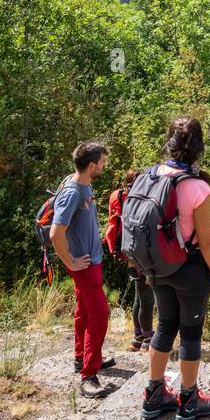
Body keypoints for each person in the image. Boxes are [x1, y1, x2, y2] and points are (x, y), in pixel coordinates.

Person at [140, 117, 210, 420]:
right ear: (199, 147)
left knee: (165, 326)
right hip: (190, 270)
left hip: (158, 267)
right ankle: (189, 400)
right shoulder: (196, 186)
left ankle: (154, 396)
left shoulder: (152, 175)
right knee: (191, 333)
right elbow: (206, 242)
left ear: (169, 143)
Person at [51, 139, 116, 399]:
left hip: (91, 262)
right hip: (84, 265)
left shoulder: (82, 183)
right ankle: (89, 374)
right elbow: (56, 233)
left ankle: (82, 357)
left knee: (84, 312)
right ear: (91, 166)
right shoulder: (73, 191)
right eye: (102, 162)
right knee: (100, 314)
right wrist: (70, 261)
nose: (104, 166)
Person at [104, 167, 154, 351]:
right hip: (141, 254)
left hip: (126, 252)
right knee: (147, 298)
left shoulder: (117, 196)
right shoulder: (141, 200)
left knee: (139, 297)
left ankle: (137, 336)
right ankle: (148, 338)